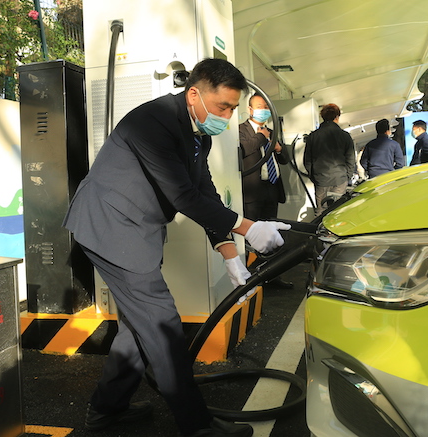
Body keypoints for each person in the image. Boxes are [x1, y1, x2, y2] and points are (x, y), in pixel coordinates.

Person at [63, 58, 290, 437]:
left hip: (134, 230)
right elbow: (182, 196)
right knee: (163, 326)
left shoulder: (200, 132)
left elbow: (205, 192)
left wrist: (230, 253)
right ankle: (197, 427)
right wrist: (248, 227)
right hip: (111, 228)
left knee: (139, 328)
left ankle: (106, 409)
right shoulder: (153, 122)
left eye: (233, 109)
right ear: (194, 94)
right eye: (223, 107)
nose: (227, 117)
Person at [239, 93, 292, 289]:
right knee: (251, 234)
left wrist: (279, 149)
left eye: (267, 107)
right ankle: (250, 279)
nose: (264, 111)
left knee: (272, 232)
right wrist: (261, 137)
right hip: (253, 190)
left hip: (272, 187)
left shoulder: (272, 130)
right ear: (250, 109)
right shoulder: (241, 130)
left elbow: (285, 159)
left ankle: (272, 276)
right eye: (260, 106)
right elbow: (245, 149)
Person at [303, 103, 356, 213]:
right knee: (338, 212)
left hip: (321, 179)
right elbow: (350, 159)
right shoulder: (345, 136)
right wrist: (347, 176)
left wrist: (314, 177)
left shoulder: (313, 136)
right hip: (340, 178)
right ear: (337, 117)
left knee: (321, 212)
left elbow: (307, 161)